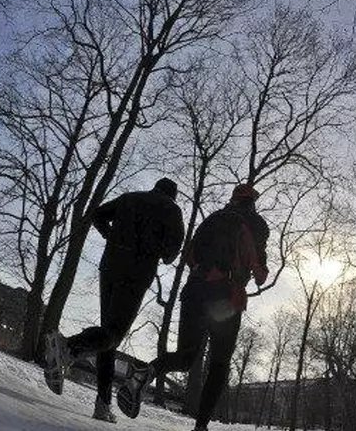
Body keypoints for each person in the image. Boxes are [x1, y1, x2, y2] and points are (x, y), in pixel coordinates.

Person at [116, 183, 269, 430]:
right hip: (226, 298)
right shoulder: (256, 224)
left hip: (194, 290)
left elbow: (189, 256)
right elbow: (260, 274)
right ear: (252, 203)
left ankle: (147, 371)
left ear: (233, 199)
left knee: (185, 357)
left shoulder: (211, 219)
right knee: (219, 364)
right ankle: (200, 427)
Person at [43, 177, 184, 423]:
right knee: (114, 334)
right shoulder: (172, 210)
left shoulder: (130, 198)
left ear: (155, 187)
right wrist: (157, 248)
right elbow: (171, 254)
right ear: (172, 195)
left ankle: (103, 404)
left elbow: (97, 214)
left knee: (107, 335)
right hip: (136, 274)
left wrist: (111, 236)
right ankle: (68, 347)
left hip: (109, 267)